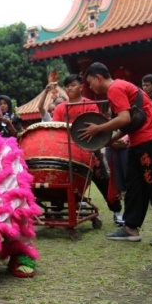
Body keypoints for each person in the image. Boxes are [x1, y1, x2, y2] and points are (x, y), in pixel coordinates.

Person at [79, 62, 152, 246]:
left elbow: (124, 118)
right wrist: (111, 139)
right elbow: (132, 121)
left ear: (98, 77)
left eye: (90, 82)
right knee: (134, 185)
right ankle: (130, 227)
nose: (91, 87)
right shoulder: (120, 86)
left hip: (151, 138)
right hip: (139, 139)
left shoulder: (114, 88)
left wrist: (98, 129)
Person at [51, 74, 124, 225]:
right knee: (61, 181)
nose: (70, 88)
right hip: (67, 153)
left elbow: (95, 127)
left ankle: (117, 211)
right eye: (67, 86)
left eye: (73, 85)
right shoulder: (59, 108)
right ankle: (56, 211)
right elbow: (56, 130)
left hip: (89, 150)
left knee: (103, 179)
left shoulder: (90, 104)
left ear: (81, 87)